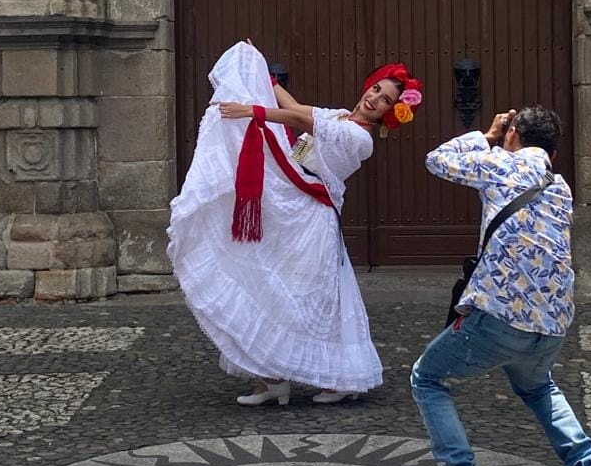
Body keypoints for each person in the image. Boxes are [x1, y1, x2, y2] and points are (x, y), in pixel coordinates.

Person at [168, 40, 423, 406]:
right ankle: (273, 379)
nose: (374, 98)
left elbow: (301, 120)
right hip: (293, 203)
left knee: (303, 296)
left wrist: (251, 110)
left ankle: (338, 377)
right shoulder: (340, 116)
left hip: (311, 216)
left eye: (384, 99)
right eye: (376, 89)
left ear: (389, 112)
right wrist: (267, 80)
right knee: (273, 286)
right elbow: (297, 108)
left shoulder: (359, 137)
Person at [411, 105, 591, 466]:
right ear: (553, 154)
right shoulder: (560, 187)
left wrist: (488, 134)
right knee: (539, 386)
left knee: (427, 378)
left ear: (514, 133)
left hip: (499, 315)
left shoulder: (501, 165)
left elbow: (436, 160)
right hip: (552, 323)